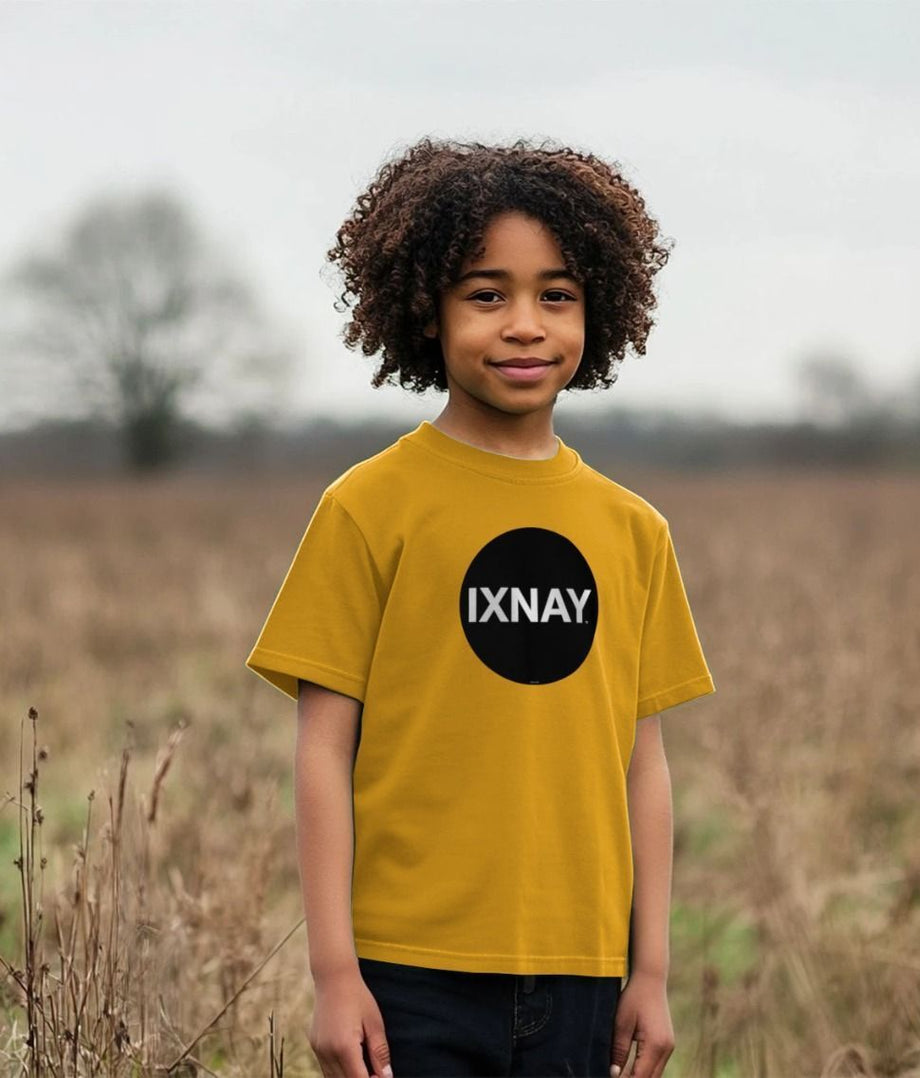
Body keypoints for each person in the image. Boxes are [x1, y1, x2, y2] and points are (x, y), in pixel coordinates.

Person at [246, 137, 715, 1078]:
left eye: (557, 295)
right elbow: (323, 748)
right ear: (427, 310)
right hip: (408, 975)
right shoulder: (366, 508)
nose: (526, 326)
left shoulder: (633, 530)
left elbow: (643, 764)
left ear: (599, 311)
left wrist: (650, 970)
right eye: (487, 294)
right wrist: (336, 973)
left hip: (584, 975)